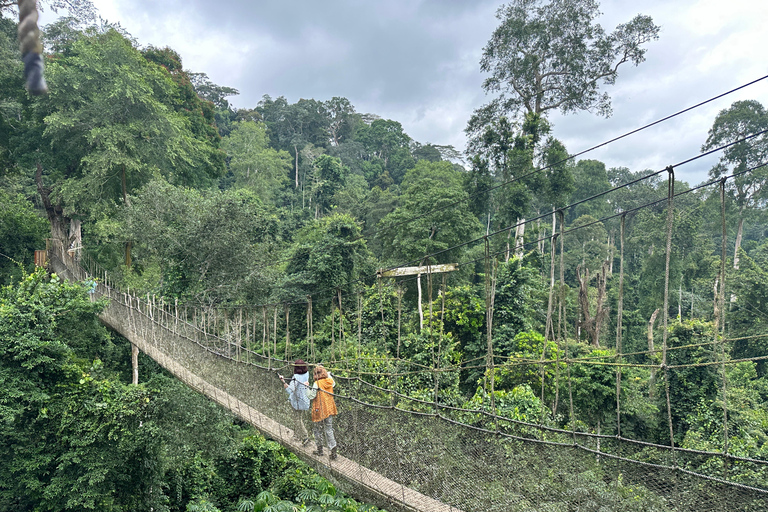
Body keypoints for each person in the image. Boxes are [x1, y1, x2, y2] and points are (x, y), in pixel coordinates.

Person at [279, 359, 310, 445]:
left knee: (297, 419)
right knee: (298, 417)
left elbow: (290, 390)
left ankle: (305, 436)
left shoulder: (296, 377)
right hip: (305, 399)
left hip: (297, 401)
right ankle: (297, 435)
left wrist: (283, 381)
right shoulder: (306, 374)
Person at [310, 364, 338, 459]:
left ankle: (320, 449)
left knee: (317, 429)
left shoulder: (316, 383)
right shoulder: (330, 381)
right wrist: (328, 374)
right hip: (329, 408)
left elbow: (311, 396)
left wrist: (306, 388)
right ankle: (333, 448)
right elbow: (333, 384)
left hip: (319, 409)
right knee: (329, 429)